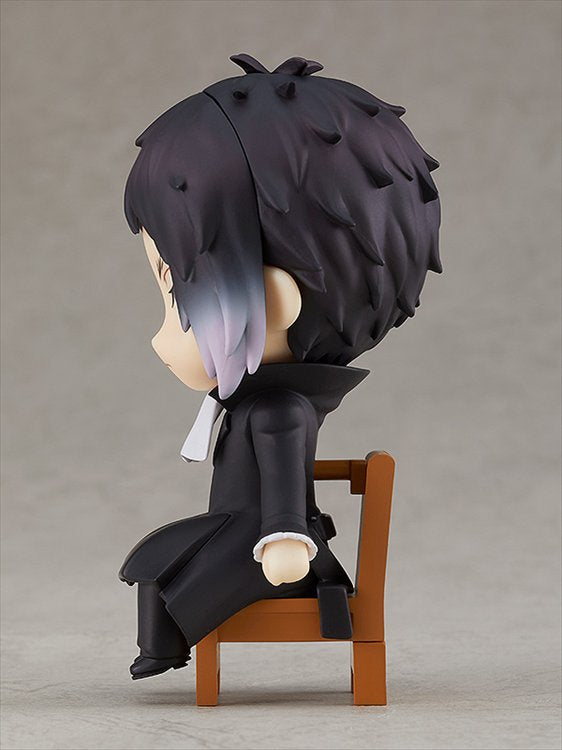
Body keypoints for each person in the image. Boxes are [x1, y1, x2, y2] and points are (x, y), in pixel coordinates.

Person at [119, 54, 441, 680]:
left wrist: (286, 538)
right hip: (240, 531)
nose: (164, 331)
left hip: (266, 547)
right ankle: (160, 650)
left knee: (176, 582)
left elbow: (286, 484)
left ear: (271, 301)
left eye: (175, 292)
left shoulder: (278, 409)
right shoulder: (264, 402)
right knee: (156, 562)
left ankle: (167, 647)